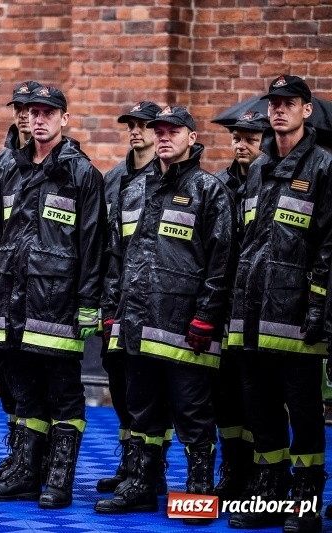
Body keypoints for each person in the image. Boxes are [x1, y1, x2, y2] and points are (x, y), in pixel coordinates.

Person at [95, 106, 237, 525]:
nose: (163, 137)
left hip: (185, 329)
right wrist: (111, 312)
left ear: (192, 138)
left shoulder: (209, 190)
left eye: (173, 131)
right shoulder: (133, 190)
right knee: (142, 411)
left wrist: (206, 318)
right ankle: (141, 485)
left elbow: (222, 260)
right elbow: (116, 258)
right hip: (136, 324)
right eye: (159, 131)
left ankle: (197, 496)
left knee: (193, 415)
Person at [0, 86, 106, 509]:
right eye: (33, 112)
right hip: (14, 302)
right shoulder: (9, 170)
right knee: (25, 392)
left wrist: (88, 302)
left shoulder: (81, 174)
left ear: (64, 120)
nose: (39, 119)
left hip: (58, 304)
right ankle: (26, 473)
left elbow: (92, 244)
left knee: (63, 394)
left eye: (48, 113)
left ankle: (59, 477)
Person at [227, 75, 332, 533]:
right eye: (274, 103)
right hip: (250, 315)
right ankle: (268, 489)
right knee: (260, 410)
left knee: (304, 412)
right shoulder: (257, 168)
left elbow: (328, 243)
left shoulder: (324, 167)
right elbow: (247, 241)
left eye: (289, 103)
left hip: (296, 315)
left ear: (306, 110)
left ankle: (306, 498)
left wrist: (318, 305)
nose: (279, 111)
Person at [95, 101, 174, 496]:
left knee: (153, 391)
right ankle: (130, 463)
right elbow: (104, 248)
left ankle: (151, 469)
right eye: (132, 125)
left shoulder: (168, 178)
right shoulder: (112, 180)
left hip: (156, 305)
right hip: (118, 302)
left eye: (145, 125)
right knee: (123, 387)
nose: (136, 131)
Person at [0, 80, 41, 484]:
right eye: (18, 107)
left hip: (39, 289)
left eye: (31, 108)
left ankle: (36, 457)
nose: (23, 114)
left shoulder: (58, 164)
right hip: (2, 286)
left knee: (36, 377)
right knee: (8, 376)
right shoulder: (1, 163)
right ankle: (18, 451)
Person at [211, 109, 269, 503]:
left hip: (260, 310)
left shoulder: (273, 183)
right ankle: (233, 469)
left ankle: (259, 476)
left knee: (259, 397)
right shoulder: (218, 185)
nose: (241, 144)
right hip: (222, 307)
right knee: (225, 396)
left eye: (251, 137)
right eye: (236, 137)